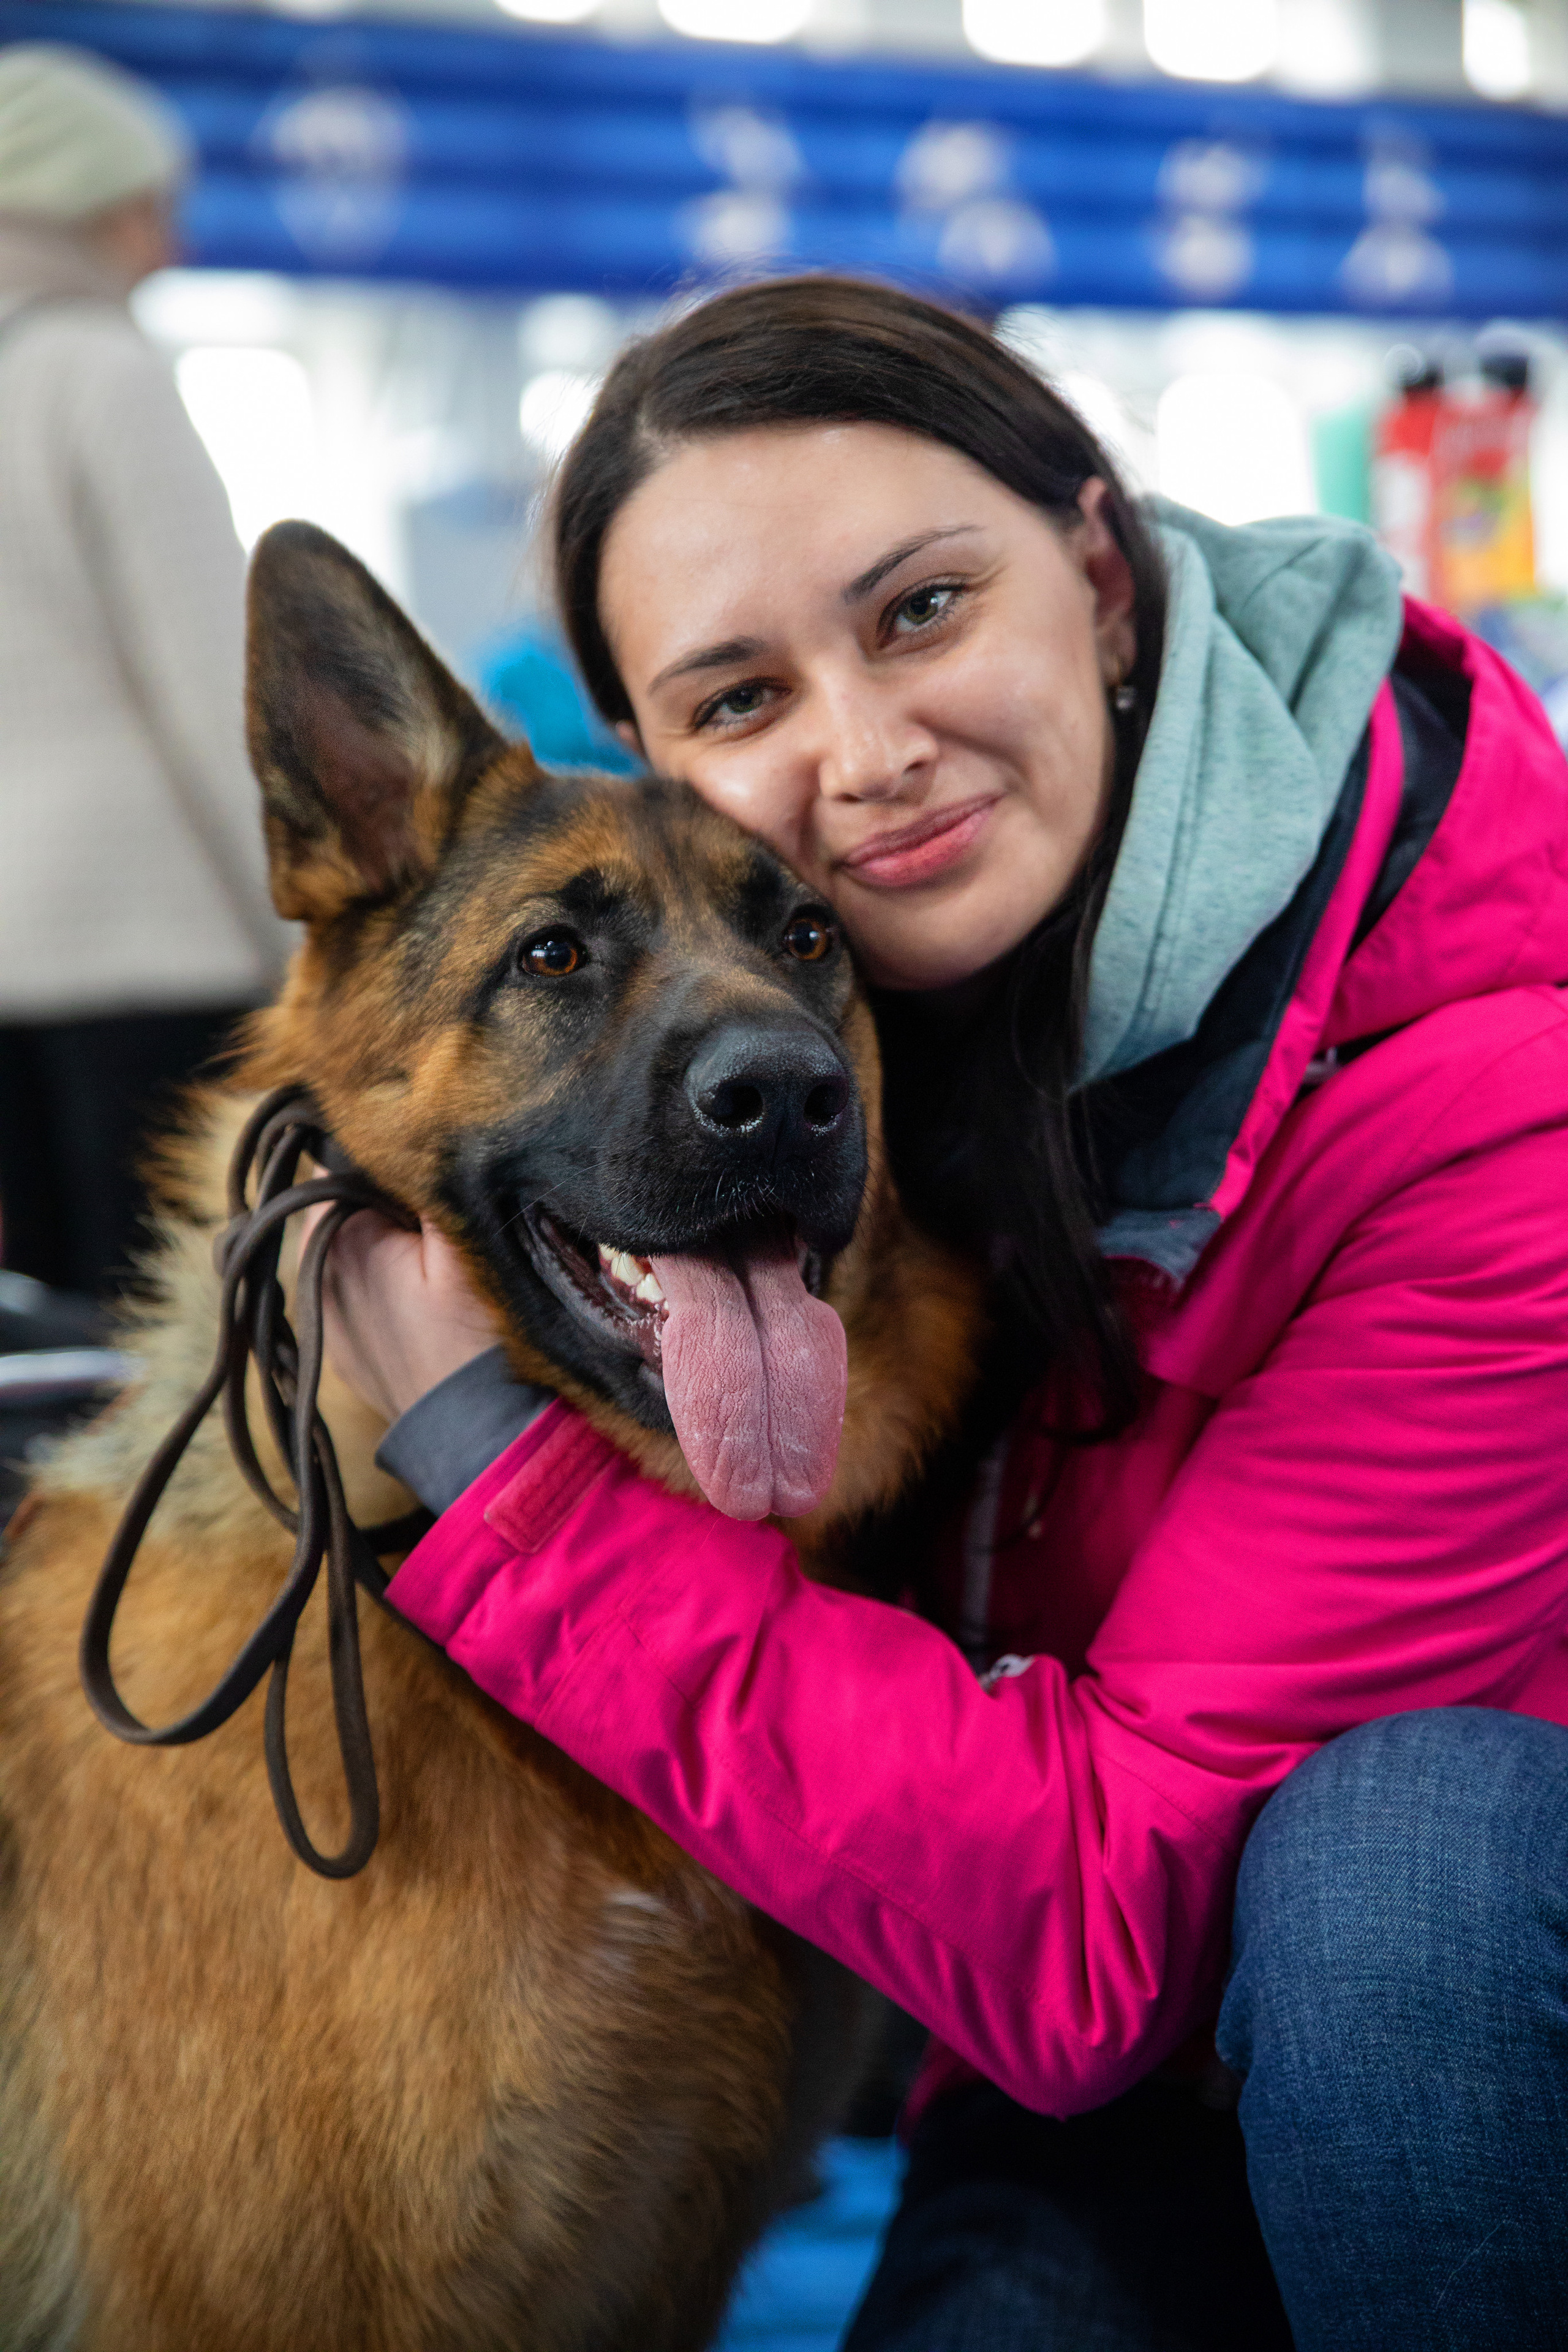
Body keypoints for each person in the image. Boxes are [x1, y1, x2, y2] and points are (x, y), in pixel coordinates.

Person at [312, 279, 1568, 2351]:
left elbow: (1096, 1927)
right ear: (649, 763)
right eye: (738, 701)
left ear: (1101, 575)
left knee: (1402, 1865)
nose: (866, 755)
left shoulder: (1496, 1108)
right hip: (1082, 2057)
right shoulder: (894, 991)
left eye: (919, 610)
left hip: (1392, 2018)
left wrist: (492, 1469)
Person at [0, 43, 288, 1297]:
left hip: (16, 956)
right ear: (80, 206)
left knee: (53, 1326)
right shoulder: (98, 372)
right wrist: (310, 940)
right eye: (148, 212)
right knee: (176, 1320)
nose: (165, 249)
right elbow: (223, 692)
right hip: (159, 945)